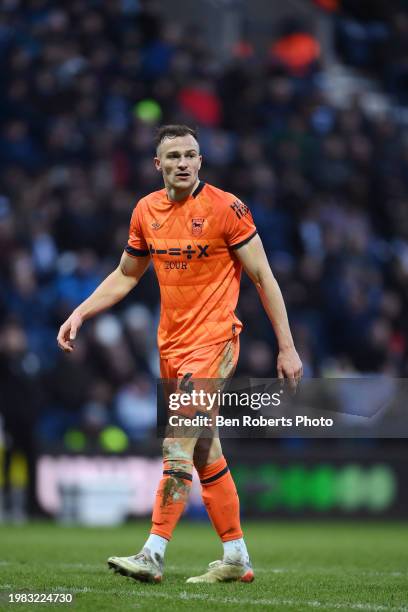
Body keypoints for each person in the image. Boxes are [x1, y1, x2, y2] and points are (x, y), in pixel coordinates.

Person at [57, 124, 303, 584]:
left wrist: (286, 347)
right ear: (158, 165)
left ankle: (153, 554)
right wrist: (81, 312)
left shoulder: (227, 208)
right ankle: (236, 556)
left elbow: (263, 277)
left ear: (201, 161)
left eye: (191, 154)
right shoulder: (145, 211)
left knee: (177, 443)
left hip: (214, 341)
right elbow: (126, 274)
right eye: (173, 157)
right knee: (205, 449)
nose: (184, 163)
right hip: (170, 345)